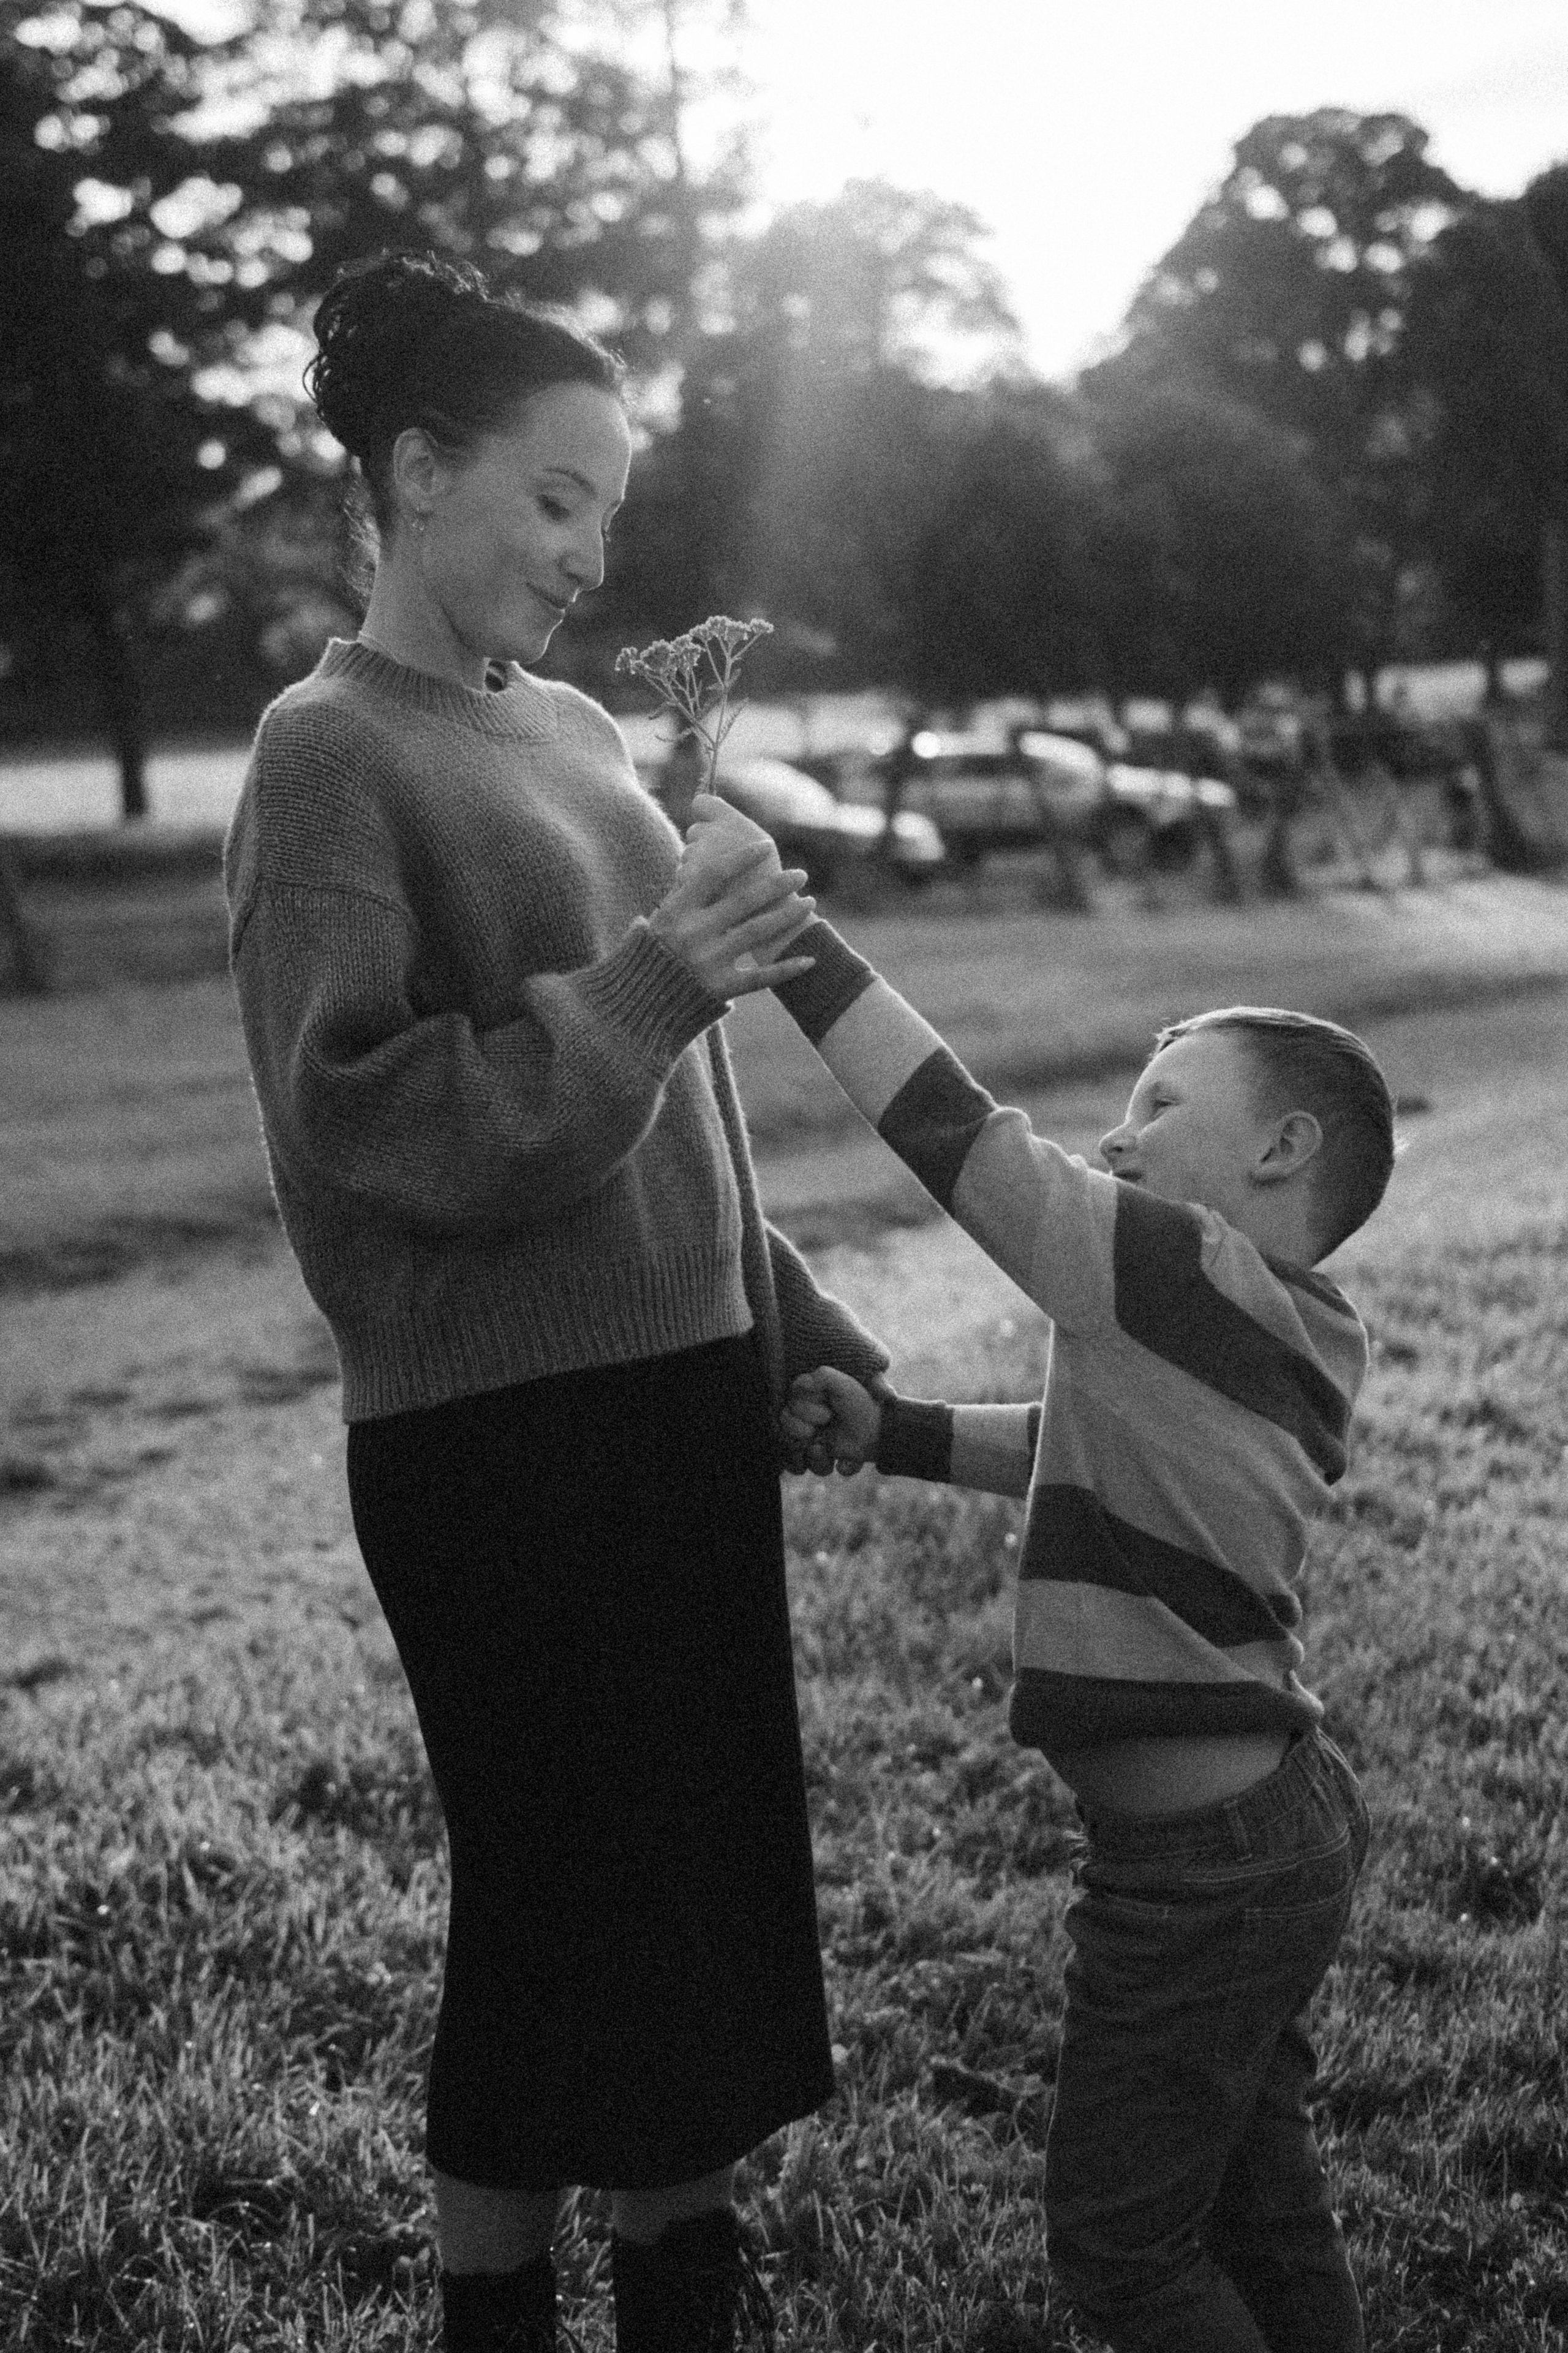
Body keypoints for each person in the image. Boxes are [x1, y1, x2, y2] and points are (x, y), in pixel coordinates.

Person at [222, 251, 890, 2353]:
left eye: (611, 509)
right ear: (417, 474)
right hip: (504, 1447)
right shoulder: (326, 754)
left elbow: (661, 1094)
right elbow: (379, 1128)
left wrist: (784, 1313)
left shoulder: (587, 731)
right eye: (552, 499)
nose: (592, 556)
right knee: (556, 1923)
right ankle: (489, 2313)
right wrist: (669, 965)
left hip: (678, 1397)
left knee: (687, 1917)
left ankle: (692, 2295)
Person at [695, 791, 1391, 2353]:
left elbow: (964, 1143)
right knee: (1253, 2197)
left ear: (1280, 1150)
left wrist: (792, 944)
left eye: (1157, 1105)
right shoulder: (1265, 1329)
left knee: (1125, 2254)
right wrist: (896, 1433)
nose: (1117, 1136)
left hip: (1202, 1865)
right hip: (1256, 1832)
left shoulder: (1174, 1265)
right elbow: (1075, 1444)